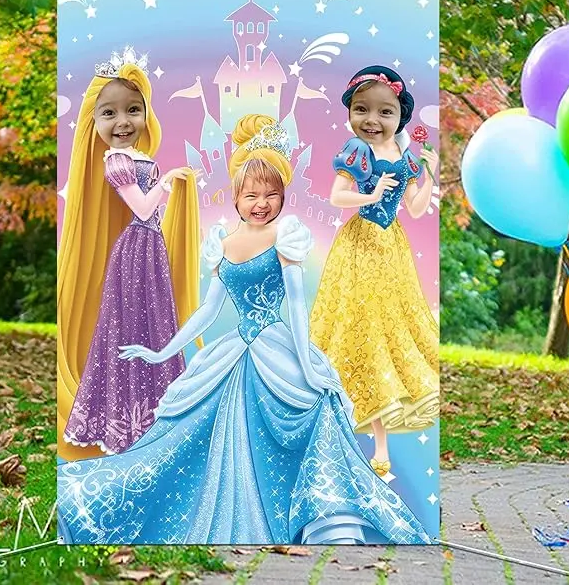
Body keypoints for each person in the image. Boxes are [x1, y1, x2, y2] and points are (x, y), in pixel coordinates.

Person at [57, 113, 430, 546]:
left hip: (278, 348)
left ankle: (316, 514)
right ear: (236, 196)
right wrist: (161, 352)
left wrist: (308, 364)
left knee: (315, 409)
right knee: (185, 435)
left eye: (272, 195)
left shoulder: (286, 236)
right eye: (252, 194)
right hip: (234, 352)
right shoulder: (223, 243)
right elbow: (208, 311)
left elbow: (295, 305)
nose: (261, 203)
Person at [58, 47, 201, 460]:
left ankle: (155, 412)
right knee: (129, 327)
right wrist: (168, 182)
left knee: (154, 324)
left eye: (133, 110)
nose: (123, 122)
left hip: (149, 248)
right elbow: (141, 208)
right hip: (136, 250)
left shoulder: (137, 156)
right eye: (109, 113)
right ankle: (125, 418)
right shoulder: (116, 161)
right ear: (94, 121)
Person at [310, 65, 440, 477]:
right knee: (359, 330)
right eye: (362, 109)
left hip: (391, 250)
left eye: (385, 112)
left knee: (387, 332)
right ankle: (342, 433)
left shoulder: (405, 157)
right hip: (360, 246)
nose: (372, 120)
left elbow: (415, 209)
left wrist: (429, 174)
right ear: (350, 111)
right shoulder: (356, 150)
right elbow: (337, 196)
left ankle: (381, 448)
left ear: (400, 116)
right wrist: (370, 193)